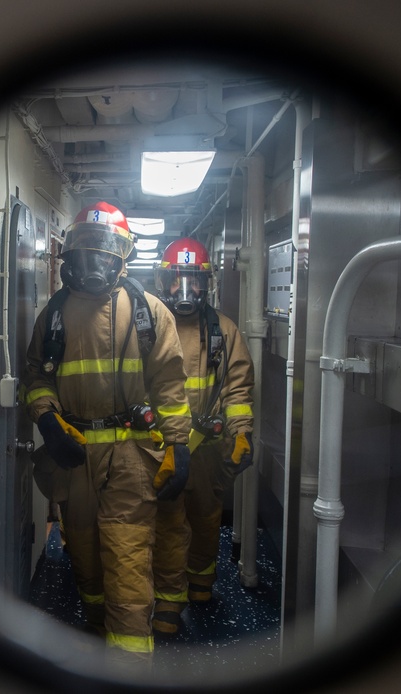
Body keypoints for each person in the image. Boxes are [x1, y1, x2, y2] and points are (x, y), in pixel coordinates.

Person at [22, 202, 192, 670]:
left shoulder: (147, 311)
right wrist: (47, 420)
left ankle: (130, 667)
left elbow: (171, 387)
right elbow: (36, 375)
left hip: (131, 456)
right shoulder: (52, 316)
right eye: (88, 249)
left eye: (106, 250)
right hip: (74, 458)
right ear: (70, 252)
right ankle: (99, 637)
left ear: (122, 256)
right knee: (85, 557)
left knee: (127, 558)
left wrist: (178, 445)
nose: (95, 260)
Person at [150, 237, 256, 635]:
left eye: (192, 280)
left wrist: (241, 432)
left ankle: (200, 584)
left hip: (209, 448)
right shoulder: (152, 325)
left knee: (207, 518)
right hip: (164, 445)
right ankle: (168, 600)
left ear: (206, 283)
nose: (184, 289)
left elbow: (238, 389)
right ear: (163, 281)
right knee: (168, 521)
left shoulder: (224, 332)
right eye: (176, 279)